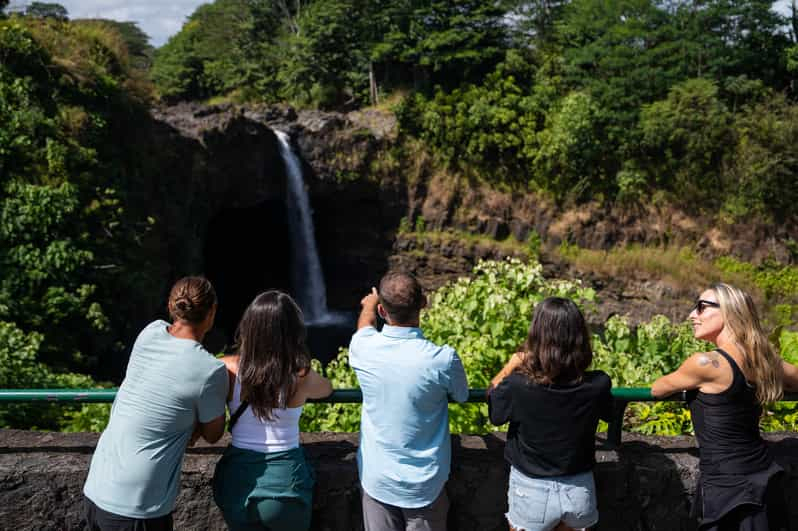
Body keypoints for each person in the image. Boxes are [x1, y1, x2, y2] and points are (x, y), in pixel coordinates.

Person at [83, 276, 228, 531]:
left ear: (172, 305)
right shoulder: (210, 370)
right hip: (138, 506)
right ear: (212, 312)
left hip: (97, 488)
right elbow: (214, 433)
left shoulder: (149, 333)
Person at [652, 283, 798, 531]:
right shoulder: (765, 359)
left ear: (729, 312)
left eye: (700, 307)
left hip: (727, 487)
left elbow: (658, 388)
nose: (691, 315)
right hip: (763, 477)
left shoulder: (706, 363)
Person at [349, 271, 469, 531]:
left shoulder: (363, 348)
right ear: (423, 303)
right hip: (425, 485)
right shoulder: (443, 359)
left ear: (382, 311)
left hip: (377, 479)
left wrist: (368, 306)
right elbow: (462, 395)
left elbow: (364, 329)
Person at [488, 297, 613, 531]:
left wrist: (512, 364)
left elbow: (496, 412)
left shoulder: (518, 385)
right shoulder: (598, 383)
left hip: (531, 490)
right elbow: (609, 413)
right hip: (579, 489)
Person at [212, 291, 332, 531]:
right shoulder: (300, 375)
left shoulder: (226, 368)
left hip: (236, 482)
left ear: (248, 327)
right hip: (285, 487)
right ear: (293, 332)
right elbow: (327, 390)